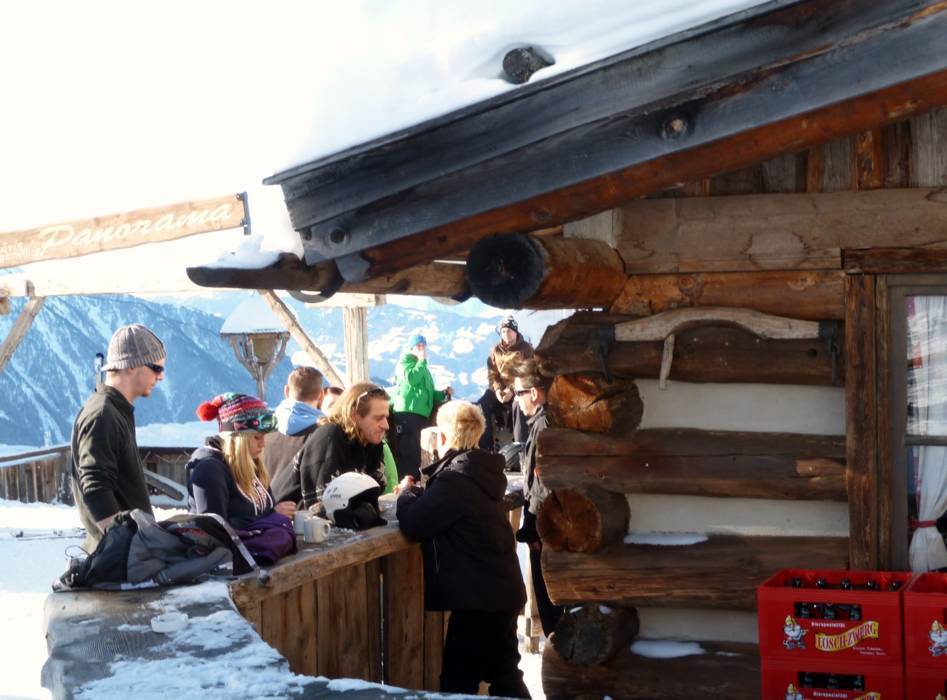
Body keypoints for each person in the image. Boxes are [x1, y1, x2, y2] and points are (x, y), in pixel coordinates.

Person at [396, 401, 530, 698]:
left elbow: (415, 523)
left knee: (458, 685)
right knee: (505, 676)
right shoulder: (479, 471)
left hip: (480, 600)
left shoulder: (456, 479)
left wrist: (406, 493)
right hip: (500, 591)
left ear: (443, 437)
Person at [71, 323, 166, 552]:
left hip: (129, 555)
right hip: (118, 559)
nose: (161, 377)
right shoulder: (103, 414)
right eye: (156, 368)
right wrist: (124, 544)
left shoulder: (115, 409)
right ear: (130, 365)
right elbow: (95, 487)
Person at [187, 392, 296, 529]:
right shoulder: (209, 470)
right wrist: (271, 517)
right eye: (257, 437)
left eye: (264, 437)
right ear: (238, 438)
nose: (263, 444)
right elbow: (215, 529)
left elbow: (263, 511)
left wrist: (275, 515)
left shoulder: (251, 463)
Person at [272, 382, 389, 508]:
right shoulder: (329, 437)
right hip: (287, 516)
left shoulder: (371, 442)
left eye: (386, 418)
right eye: (378, 418)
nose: (386, 425)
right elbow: (320, 506)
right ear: (354, 414)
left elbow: (372, 493)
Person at [512, 358, 563, 637]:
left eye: (518, 392)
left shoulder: (543, 425)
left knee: (552, 615)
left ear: (533, 392)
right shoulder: (549, 420)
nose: (516, 400)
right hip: (551, 529)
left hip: (545, 533)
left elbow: (542, 483)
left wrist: (532, 529)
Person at [391, 334, 451, 479]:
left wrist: (443, 394)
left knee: (418, 452)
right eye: (418, 346)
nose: (422, 349)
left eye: (423, 346)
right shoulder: (405, 363)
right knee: (408, 451)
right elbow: (411, 379)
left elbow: (428, 393)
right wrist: (422, 361)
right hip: (407, 413)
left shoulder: (423, 368)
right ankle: (405, 482)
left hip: (421, 416)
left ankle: (416, 481)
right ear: (411, 348)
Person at [478, 316, 533, 451]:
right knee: (483, 403)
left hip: (519, 389)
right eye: (503, 331)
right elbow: (492, 373)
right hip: (499, 390)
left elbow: (527, 372)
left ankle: (521, 448)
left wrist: (512, 390)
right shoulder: (495, 350)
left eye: (508, 331)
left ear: (515, 332)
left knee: (519, 405)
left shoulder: (525, 349)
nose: (506, 334)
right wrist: (497, 390)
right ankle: (486, 448)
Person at [263, 366, 325, 482]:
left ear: (286, 391)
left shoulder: (264, 428)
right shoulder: (324, 433)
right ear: (321, 395)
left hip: (265, 493)